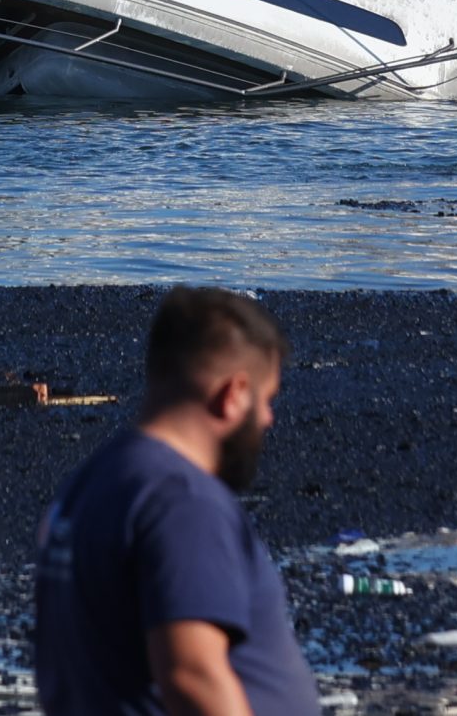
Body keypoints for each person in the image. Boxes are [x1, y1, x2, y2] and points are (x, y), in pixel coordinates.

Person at [35, 287, 321, 716]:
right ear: (234, 394)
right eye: (265, 400)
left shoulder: (88, 486)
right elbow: (192, 676)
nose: (267, 419)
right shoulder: (181, 502)